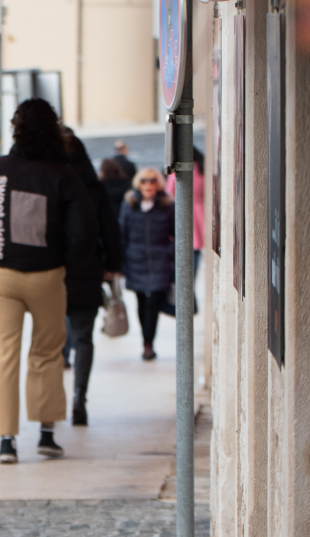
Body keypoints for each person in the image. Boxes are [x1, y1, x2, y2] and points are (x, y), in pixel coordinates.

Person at [0, 98, 95, 465]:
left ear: (14, 128)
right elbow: (83, 232)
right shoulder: (62, 176)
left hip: (1, 276)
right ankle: (46, 434)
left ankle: (6, 442)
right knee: (47, 353)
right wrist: (69, 265)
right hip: (48, 275)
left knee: (3, 355)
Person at [63, 128, 123, 426]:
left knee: (49, 338)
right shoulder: (93, 187)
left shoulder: (46, 182)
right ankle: (79, 398)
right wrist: (113, 263)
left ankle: (53, 403)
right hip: (87, 268)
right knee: (83, 337)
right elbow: (110, 230)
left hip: (50, 269)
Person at [120, 167, 176, 361]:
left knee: (153, 302)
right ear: (138, 183)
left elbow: (178, 234)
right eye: (144, 181)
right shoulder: (129, 204)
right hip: (135, 261)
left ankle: (148, 344)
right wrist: (121, 261)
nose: (148, 184)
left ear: (158, 183)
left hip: (160, 262)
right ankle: (146, 339)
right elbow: (122, 232)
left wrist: (169, 253)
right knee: (142, 302)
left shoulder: (167, 205)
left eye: (152, 181)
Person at [164, 147, 205, 274]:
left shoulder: (178, 170)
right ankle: (191, 287)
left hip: (182, 211)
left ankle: (188, 289)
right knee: (195, 250)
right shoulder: (202, 168)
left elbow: (169, 193)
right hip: (200, 212)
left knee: (183, 251)